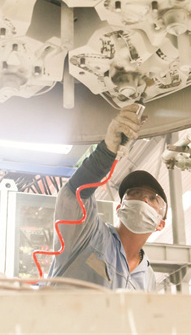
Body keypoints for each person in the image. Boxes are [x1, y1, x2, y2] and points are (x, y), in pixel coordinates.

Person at [47, 103, 168, 291]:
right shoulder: (88, 234)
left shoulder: (148, 278)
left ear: (160, 224)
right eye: (134, 193)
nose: (143, 199)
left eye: (153, 198)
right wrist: (107, 152)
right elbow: (76, 193)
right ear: (120, 209)